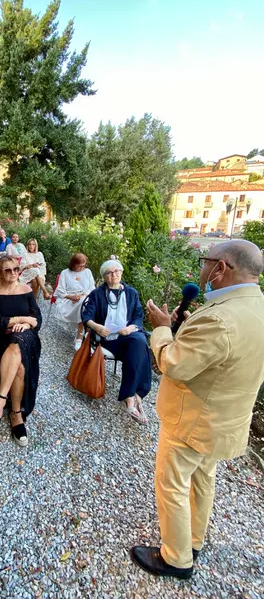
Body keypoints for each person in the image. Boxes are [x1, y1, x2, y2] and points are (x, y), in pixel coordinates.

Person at [131, 240, 264, 580]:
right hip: (226, 420)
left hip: (192, 419)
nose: (201, 268)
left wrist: (161, 327)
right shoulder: (255, 307)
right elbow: (225, 354)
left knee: (172, 483)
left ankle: (176, 558)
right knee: (203, 479)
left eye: (206, 261)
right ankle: (193, 539)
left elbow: (173, 364)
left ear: (221, 268)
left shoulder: (220, 318)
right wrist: (188, 326)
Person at [81, 259, 152, 423]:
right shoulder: (97, 294)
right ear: (104, 277)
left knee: (138, 340)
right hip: (107, 339)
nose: (113, 275)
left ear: (121, 272)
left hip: (127, 336)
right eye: (109, 273)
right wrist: (96, 326)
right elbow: (86, 316)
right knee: (140, 347)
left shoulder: (132, 293)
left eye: (116, 271)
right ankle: (135, 395)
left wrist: (130, 328)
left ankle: (130, 397)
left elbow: (138, 317)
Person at [0, 256, 42, 447]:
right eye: (7, 270)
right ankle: (16, 413)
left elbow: (37, 321)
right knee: (20, 367)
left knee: (17, 343)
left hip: (27, 337)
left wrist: (26, 324)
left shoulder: (26, 290)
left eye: (16, 269)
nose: (13, 273)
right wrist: (22, 319)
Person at [54, 253, 95, 350]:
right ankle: (81, 336)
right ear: (73, 264)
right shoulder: (65, 273)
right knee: (83, 304)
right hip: (68, 300)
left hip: (84, 297)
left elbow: (92, 288)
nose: (82, 268)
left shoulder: (87, 272)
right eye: (80, 265)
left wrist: (83, 295)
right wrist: (71, 297)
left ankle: (80, 336)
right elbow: (60, 291)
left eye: (84, 265)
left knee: (85, 303)